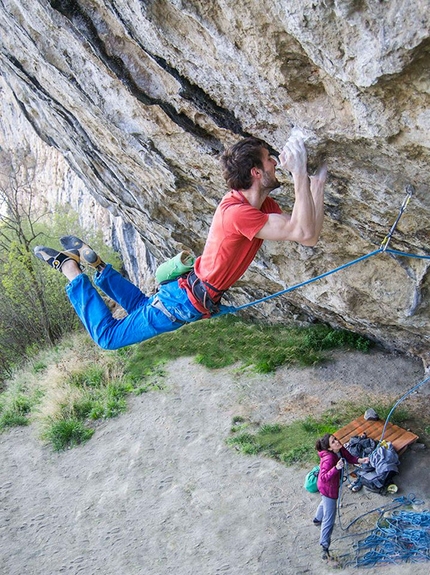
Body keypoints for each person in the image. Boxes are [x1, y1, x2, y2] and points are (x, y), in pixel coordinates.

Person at [34, 135, 326, 350]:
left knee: (141, 309)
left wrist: (316, 185)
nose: (276, 162)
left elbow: (308, 235)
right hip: (185, 299)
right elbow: (302, 231)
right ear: (256, 172)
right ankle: (73, 271)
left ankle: (98, 269)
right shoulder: (239, 213)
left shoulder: (259, 206)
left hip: (185, 295)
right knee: (108, 338)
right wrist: (298, 172)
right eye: (269, 159)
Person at [314, 434, 369, 565]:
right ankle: (324, 547)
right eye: (334, 442)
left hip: (329, 488)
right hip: (328, 488)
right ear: (329, 448)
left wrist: (361, 460)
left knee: (324, 503)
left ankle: (316, 519)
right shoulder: (328, 459)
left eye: (336, 439)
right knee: (329, 517)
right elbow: (323, 477)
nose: (337, 441)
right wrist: (336, 468)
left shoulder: (340, 450)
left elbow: (349, 457)